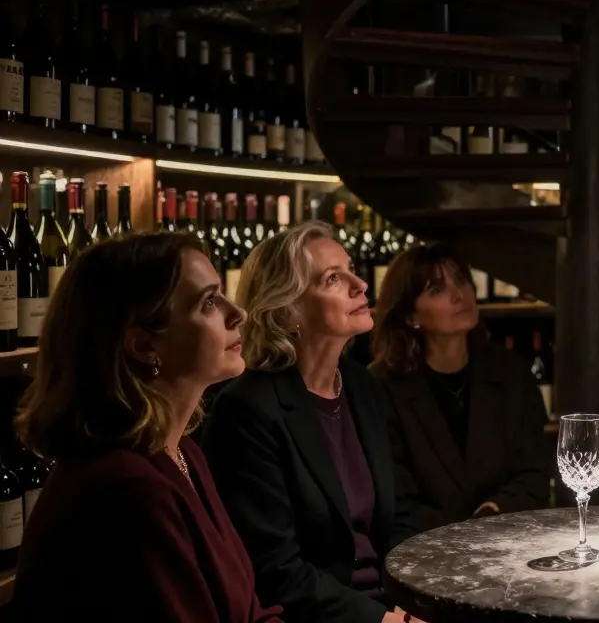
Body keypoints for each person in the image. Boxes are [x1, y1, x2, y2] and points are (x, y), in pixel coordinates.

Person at [11, 233, 282, 622]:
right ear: (143, 346)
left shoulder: (182, 451)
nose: (237, 311)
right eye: (208, 302)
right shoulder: (127, 488)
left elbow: (248, 611)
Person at [201, 220, 423, 623]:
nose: (361, 285)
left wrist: (415, 600)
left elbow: (398, 518)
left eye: (352, 269)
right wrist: (384, 621)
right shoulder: (247, 410)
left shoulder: (363, 386)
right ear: (289, 311)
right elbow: (275, 573)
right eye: (334, 279)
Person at [370, 244, 551, 529]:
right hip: (423, 554)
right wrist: (460, 535)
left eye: (462, 280)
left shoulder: (511, 372)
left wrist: (493, 513)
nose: (460, 294)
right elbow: (395, 498)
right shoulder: (382, 388)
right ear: (410, 317)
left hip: (506, 541)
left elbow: (535, 474)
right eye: (437, 290)